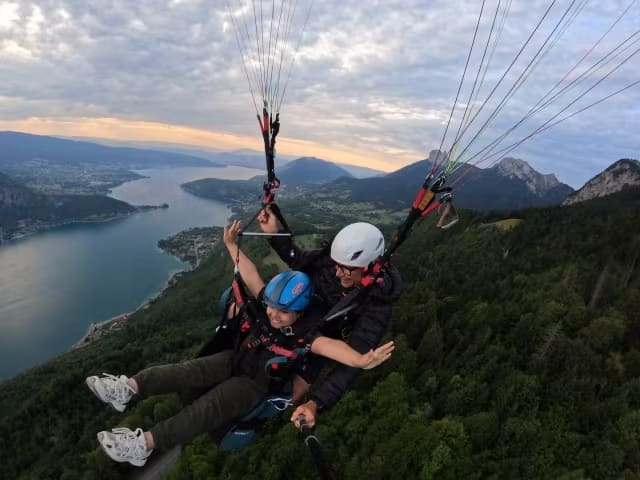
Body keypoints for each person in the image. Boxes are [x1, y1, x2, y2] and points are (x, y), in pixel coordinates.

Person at [86, 220, 394, 467]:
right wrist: (232, 246)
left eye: (281, 311)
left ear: (298, 312)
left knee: (208, 409)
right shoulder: (274, 307)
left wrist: (358, 360)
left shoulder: (304, 331)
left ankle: (143, 445)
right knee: (186, 370)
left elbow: (328, 348)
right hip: (239, 357)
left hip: (255, 383)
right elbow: (253, 279)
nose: (273, 314)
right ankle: (128, 388)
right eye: (271, 306)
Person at [257, 208, 402, 428]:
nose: (337, 273)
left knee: (292, 394)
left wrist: (315, 403)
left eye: (346, 270)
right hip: (293, 315)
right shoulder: (334, 261)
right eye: (337, 266)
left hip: (318, 341)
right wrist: (274, 233)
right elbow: (299, 261)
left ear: (369, 268)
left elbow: (353, 360)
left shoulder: (376, 303)